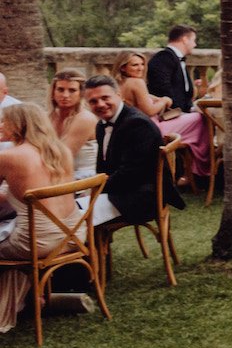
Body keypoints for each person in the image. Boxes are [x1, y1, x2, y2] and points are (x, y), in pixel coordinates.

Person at [0, 103, 85, 334]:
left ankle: (23, 301)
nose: (0, 126)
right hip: (73, 235)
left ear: (18, 125)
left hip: (37, 243)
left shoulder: (9, 156)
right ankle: (31, 300)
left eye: (4, 121)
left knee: (8, 238)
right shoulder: (60, 150)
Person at [83, 75, 180, 230]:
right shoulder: (101, 125)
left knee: (77, 215)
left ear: (119, 95)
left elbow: (132, 173)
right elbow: (103, 168)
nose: (100, 104)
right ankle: (99, 252)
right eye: (93, 101)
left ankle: (89, 253)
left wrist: (95, 190)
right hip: (120, 190)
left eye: (105, 97)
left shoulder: (137, 124)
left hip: (144, 196)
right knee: (73, 208)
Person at [117, 51, 210, 179]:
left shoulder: (121, 83)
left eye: (142, 64)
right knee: (200, 118)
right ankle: (201, 169)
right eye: (135, 65)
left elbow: (144, 101)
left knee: (189, 118)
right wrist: (165, 101)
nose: (140, 68)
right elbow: (150, 111)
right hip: (152, 129)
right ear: (123, 67)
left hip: (138, 128)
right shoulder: (136, 82)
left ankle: (191, 171)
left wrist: (158, 99)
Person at [45, 69, 95, 175]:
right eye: (60, 89)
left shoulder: (85, 118)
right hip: (53, 172)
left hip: (82, 179)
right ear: (53, 92)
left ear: (81, 93)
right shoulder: (47, 117)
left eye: (72, 90)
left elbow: (63, 158)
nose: (65, 95)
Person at [146, 24, 200, 115]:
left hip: (182, 112)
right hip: (169, 114)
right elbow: (162, 90)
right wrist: (180, 112)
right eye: (193, 40)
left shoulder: (176, 59)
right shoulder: (163, 58)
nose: (195, 44)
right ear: (185, 39)